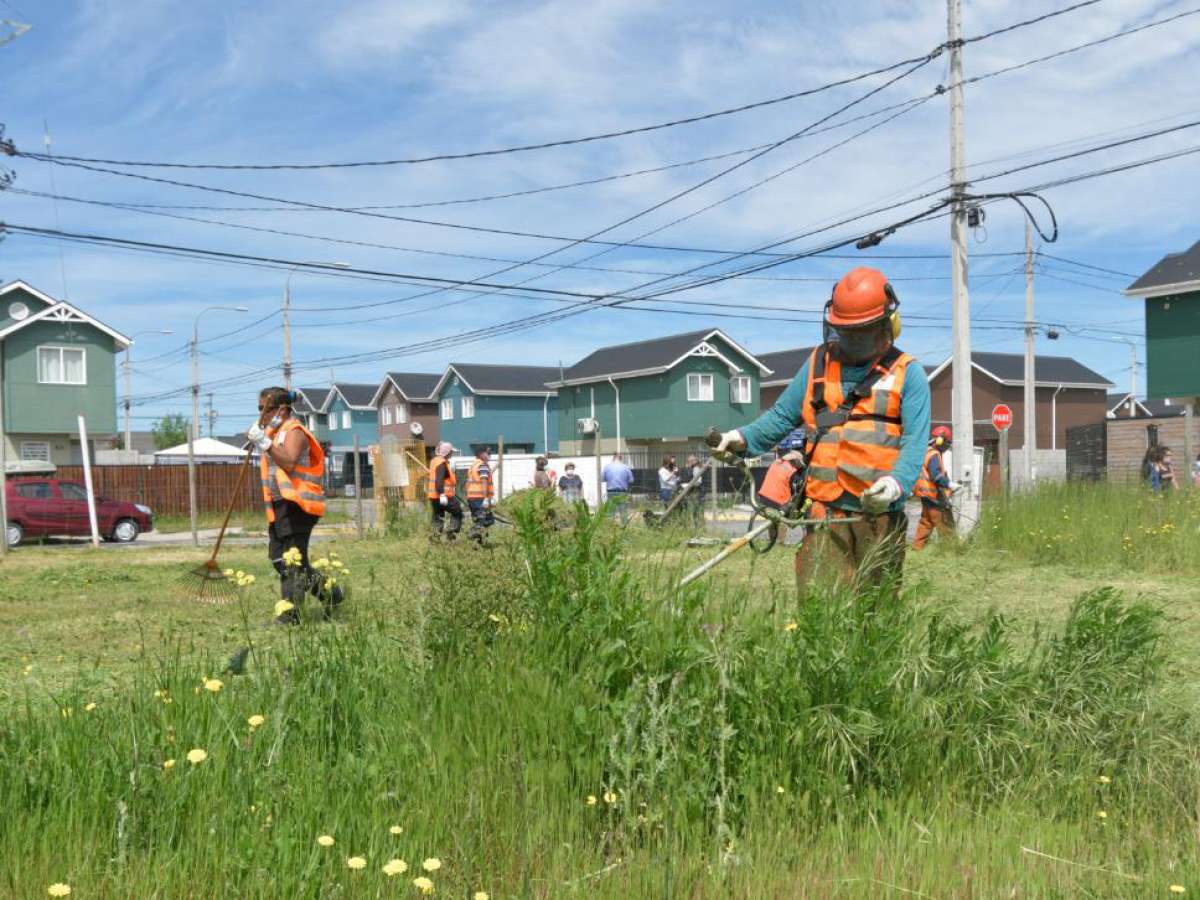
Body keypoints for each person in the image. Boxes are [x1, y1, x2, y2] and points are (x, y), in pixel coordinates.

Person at [710, 267, 931, 594]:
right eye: (845, 331)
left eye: (861, 331)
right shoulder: (817, 364)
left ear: (887, 325)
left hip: (879, 515)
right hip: (824, 512)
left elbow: (915, 442)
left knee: (877, 609)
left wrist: (896, 484)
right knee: (820, 606)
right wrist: (740, 439)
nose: (851, 339)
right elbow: (782, 417)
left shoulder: (908, 374)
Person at [247, 386, 341, 625]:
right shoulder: (275, 431)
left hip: (298, 504)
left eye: (264, 409)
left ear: (281, 409)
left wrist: (265, 444)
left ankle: (290, 617)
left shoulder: (295, 431)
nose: (261, 413)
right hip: (280, 504)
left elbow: (288, 462)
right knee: (279, 559)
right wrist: (259, 441)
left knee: (292, 562)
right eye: (259, 408)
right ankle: (331, 594)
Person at [912, 425, 957, 550]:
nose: (948, 446)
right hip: (933, 495)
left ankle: (917, 548)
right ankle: (951, 550)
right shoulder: (934, 454)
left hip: (925, 495)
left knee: (926, 522)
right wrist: (949, 484)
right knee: (945, 522)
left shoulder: (925, 451)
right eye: (947, 442)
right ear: (940, 441)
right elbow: (936, 476)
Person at [427, 441, 463, 539]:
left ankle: (434, 539)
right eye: (451, 452)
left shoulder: (434, 461)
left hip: (434, 496)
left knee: (438, 517)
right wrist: (442, 494)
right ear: (447, 452)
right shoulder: (442, 463)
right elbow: (439, 480)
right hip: (444, 496)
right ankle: (451, 531)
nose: (452, 454)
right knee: (457, 511)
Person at [465, 447, 496, 542]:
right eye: (488, 453)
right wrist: (485, 497)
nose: (489, 455)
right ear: (482, 454)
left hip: (472, 497)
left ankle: (478, 542)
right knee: (486, 519)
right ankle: (472, 533)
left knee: (478, 519)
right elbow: (484, 481)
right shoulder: (482, 465)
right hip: (479, 497)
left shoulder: (474, 465)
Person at [601, 452, 635, 522]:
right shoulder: (626, 467)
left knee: (610, 513)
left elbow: (602, 479)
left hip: (611, 492)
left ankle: (610, 529)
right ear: (621, 458)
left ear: (613, 458)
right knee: (623, 513)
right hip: (622, 492)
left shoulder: (607, 467)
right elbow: (631, 480)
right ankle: (624, 529)